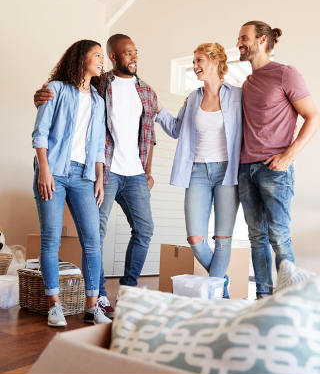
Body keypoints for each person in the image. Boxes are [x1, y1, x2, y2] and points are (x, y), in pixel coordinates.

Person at [34, 34, 157, 317]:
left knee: (118, 234)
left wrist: (109, 177)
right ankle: (75, 302)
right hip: (77, 169)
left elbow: (137, 136)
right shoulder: (85, 86)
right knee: (68, 237)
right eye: (99, 56)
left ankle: (111, 298)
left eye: (135, 51)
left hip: (105, 173)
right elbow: (46, 124)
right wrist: (44, 171)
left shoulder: (132, 93)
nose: (133, 56)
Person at [237, 21, 320, 299]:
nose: (239, 43)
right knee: (256, 237)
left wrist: (288, 156)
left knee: (278, 236)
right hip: (246, 170)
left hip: (275, 170)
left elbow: (313, 116)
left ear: (262, 40)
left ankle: (289, 300)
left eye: (244, 38)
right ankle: (262, 298)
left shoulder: (285, 74)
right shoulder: (247, 84)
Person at [32, 40, 111, 327]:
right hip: (53, 171)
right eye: (97, 56)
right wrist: (44, 171)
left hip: (84, 176)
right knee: (51, 239)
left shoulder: (99, 101)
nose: (102, 61)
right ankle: (55, 305)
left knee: (92, 241)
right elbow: (40, 134)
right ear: (81, 60)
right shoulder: (55, 90)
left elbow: (99, 145)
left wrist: (100, 178)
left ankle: (92, 307)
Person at [156, 43, 243, 298]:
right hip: (196, 172)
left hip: (228, 172)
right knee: (195, 238)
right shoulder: (193, 98)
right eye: (193, 61)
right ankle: (220, 285)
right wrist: (159, 109)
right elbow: (175, 130)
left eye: (199, 60)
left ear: (215, 61)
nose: (195, 66)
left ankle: (214, 300)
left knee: (222, 238)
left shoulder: (238, 95)